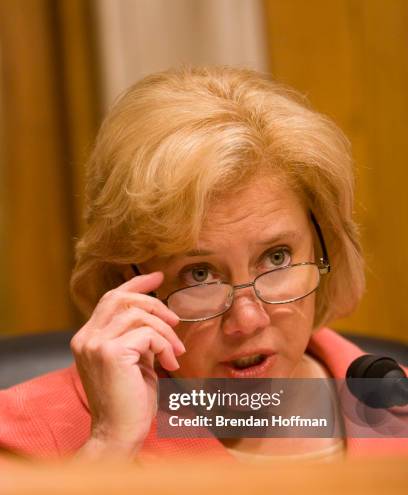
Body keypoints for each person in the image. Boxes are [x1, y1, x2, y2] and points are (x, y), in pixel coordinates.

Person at [0, 65, 406, 462]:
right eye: (199, 275)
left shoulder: (398, 409)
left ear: (324, 250)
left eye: (276, 257)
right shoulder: (29, 436)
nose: (247, 320)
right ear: (132, 283)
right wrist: (110, 444)